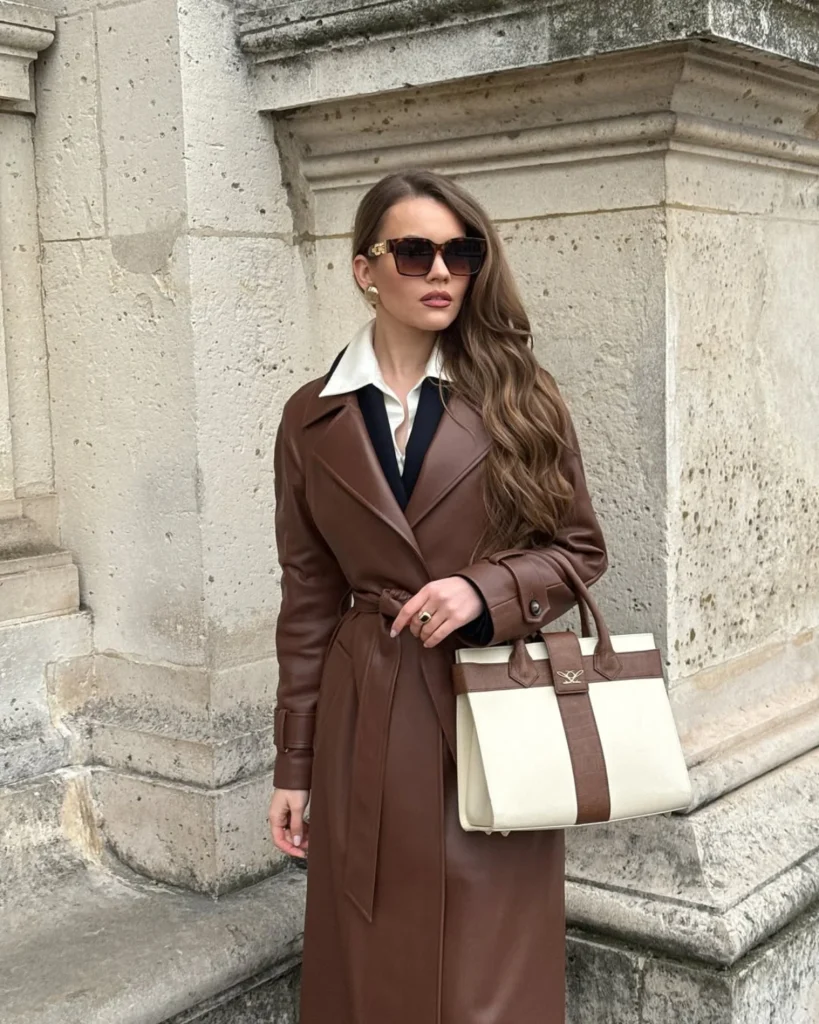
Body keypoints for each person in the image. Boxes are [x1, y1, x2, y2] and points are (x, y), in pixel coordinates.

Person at [267, 168, 608, 1024]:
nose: (440, 272)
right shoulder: (309, 418)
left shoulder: (519, 397)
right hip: (364, 709)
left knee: (487, 962)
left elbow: (579, 550)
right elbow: (308, 596)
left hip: (487, 710)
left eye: (460, 252)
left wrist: (482, 588)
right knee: (367, 951)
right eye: (414, 251)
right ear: (364, 269)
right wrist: (293, 765)